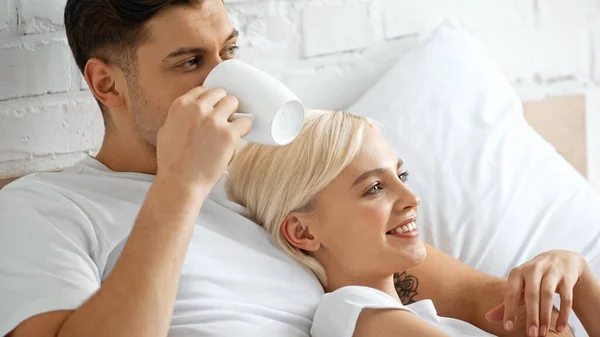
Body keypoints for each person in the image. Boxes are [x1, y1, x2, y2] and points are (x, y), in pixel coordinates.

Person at [0, 1, 577, 336]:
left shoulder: (276, 175)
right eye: (189, 63)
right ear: (107, 84)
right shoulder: (43, 209)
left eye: (228, 54)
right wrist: (182, 183)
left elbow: (476, 298)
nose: (222, 80)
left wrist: (544, 289)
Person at [226, 110, 600, 337]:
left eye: (401, 175)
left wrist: (579, 275)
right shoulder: (357, 315)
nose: (411, 198)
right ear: (304, 232)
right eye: (374, 188)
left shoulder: (409, 315)